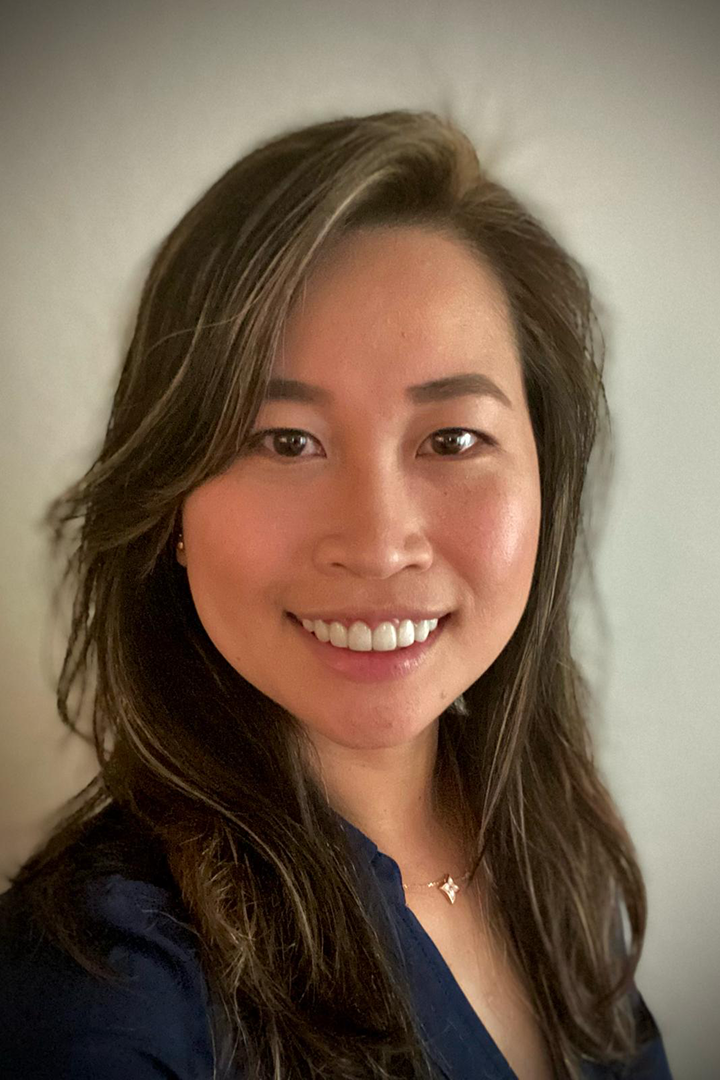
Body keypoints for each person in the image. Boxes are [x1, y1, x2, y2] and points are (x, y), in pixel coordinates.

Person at [0, 108, 674, 1080]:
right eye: (284, 441)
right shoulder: (108, 985)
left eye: (452, 440)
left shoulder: (554, 852)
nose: (377, 542)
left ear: (546, 483)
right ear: (169, 501)